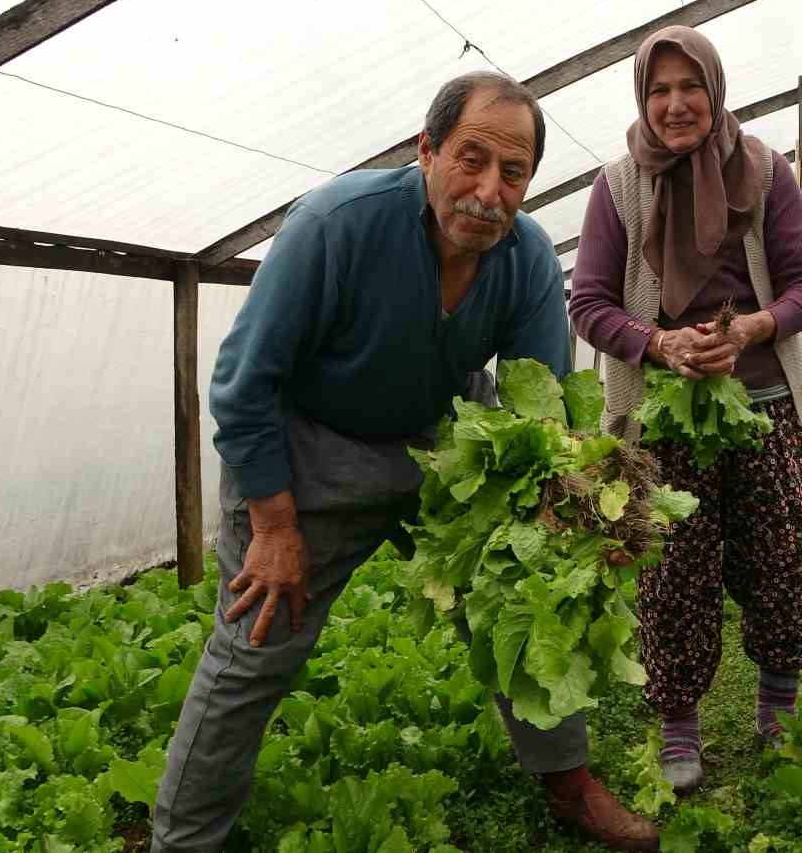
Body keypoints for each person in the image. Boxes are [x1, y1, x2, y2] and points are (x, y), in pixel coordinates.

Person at [153, 72, 659, 853]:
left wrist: (578, 518)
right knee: (257, 640)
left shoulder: (523, 258)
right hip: (309, 449)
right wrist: (274, 522)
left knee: (526, 606)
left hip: (441, 446)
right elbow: (243, 380)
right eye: (471, 159)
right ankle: (183, 839)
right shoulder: (335, 223)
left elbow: (543, 412)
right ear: (427, 152)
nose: (489, 191)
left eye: (513, 172)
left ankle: (571, 785)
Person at [567, 27, 802, 793]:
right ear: (643, 100)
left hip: (767, 403)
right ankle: (680, 720)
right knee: (673, 569)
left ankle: (776, 704)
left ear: (715, 93)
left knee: (783, 553)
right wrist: (658, 344)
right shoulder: (617, 187)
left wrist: (752, 326)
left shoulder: (766, 171)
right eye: (659, 90)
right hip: (666, 416)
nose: (675, 104)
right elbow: (588, 304)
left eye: (690, 87)